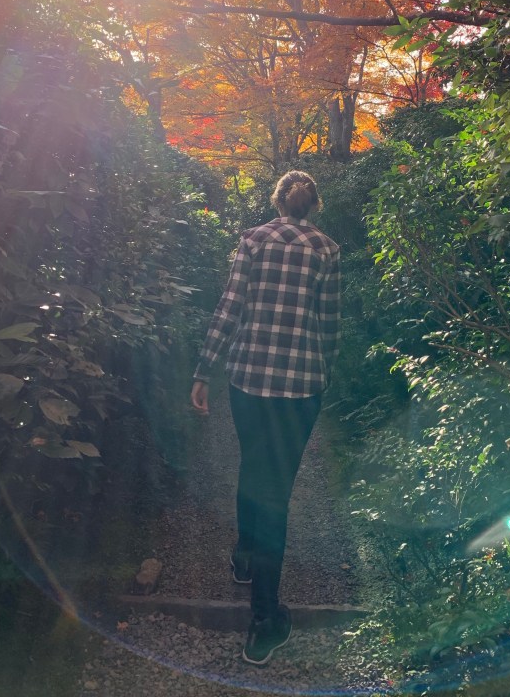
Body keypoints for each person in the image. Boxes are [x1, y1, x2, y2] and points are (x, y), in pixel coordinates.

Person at [190, 170, 340, 665]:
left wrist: (202, 368)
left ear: (277, 202)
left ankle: (243, 557)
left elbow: (229, 307)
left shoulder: (252, 240)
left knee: (253, 469)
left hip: (247, 380)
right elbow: (329, 322)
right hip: (301, 388)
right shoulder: (327, 250)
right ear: (312, 206)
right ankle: (264, 620)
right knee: (276, 492)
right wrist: (327, 372)